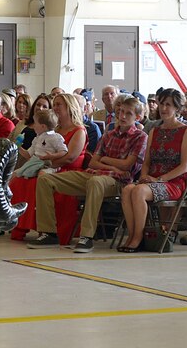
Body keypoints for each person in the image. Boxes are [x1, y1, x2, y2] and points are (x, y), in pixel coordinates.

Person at [31, 95, 148, 254]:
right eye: (120, 112)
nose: (122, 116)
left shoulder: (140, 137)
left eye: (128, 113)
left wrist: (106, 160)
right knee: (45, 179)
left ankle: (87, 236)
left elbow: (128, 166)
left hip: (118, 181)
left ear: (138, 117)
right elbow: (93, 162)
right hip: (92, 173)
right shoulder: (109, 135)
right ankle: (49, 232)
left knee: (96, 182)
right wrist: (110, 161)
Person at [118, 89, 187, 252]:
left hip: (173, 183)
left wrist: (160, 179)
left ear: (177, 108)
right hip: (151, 180)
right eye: (161, 104)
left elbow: (185, 167)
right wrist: (145, 175)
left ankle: (138, 238)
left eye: (168, 105)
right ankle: (132, 235)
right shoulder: (155, 131)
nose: (163, 108)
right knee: (127, 190)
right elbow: (146, 161)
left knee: (138, 192)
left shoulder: (186, 132)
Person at [9, 93, 87, 242]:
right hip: (47, 166)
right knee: (20, 181)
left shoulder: (78, 131)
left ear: (69, 108)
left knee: (39, 181)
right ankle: (19, 225)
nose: (55, 108)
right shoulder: (54, 131)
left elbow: (70, 157)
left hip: (66, 170)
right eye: (55, 104)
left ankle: (49, 230)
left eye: (59, 105)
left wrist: (45, 164)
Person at [12, 109, 68, 178]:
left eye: (35, 123)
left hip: (48, 165)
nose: (33, 125)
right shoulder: (37, 138)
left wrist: (53, 156)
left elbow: (64, 151)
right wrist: (18, 147)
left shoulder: (56, 137)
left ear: (43, 126)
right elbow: (28, 154)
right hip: (35, 162)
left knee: (42, 174)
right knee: (15, 174)